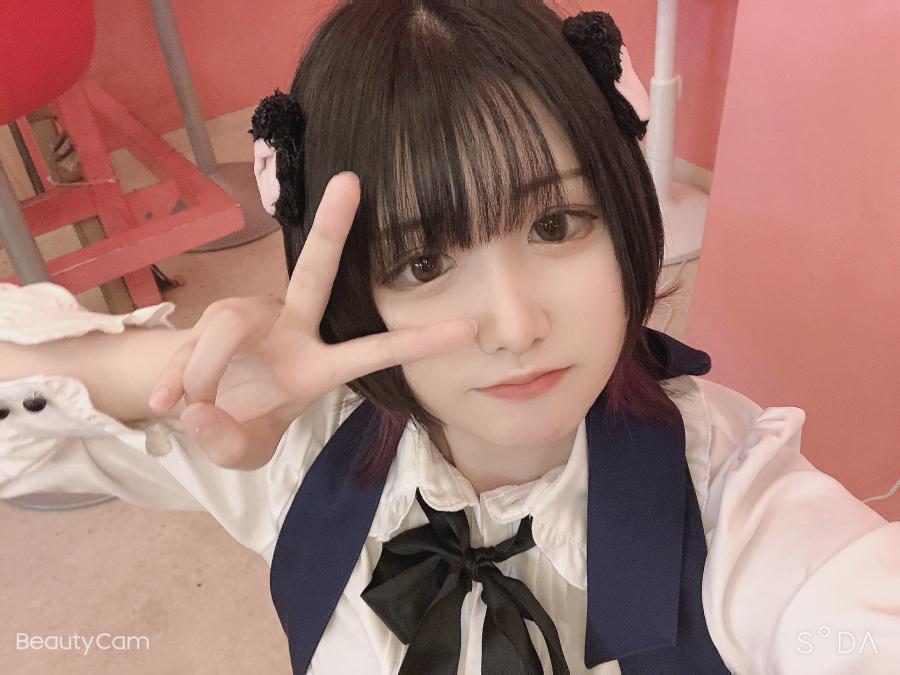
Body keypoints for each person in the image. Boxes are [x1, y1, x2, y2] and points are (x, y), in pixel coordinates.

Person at [1, 3, 897, 673]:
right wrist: (179, 365)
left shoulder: (732, 499)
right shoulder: (301, 447)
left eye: (555, 224)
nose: (515, 327)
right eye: (423, 262)